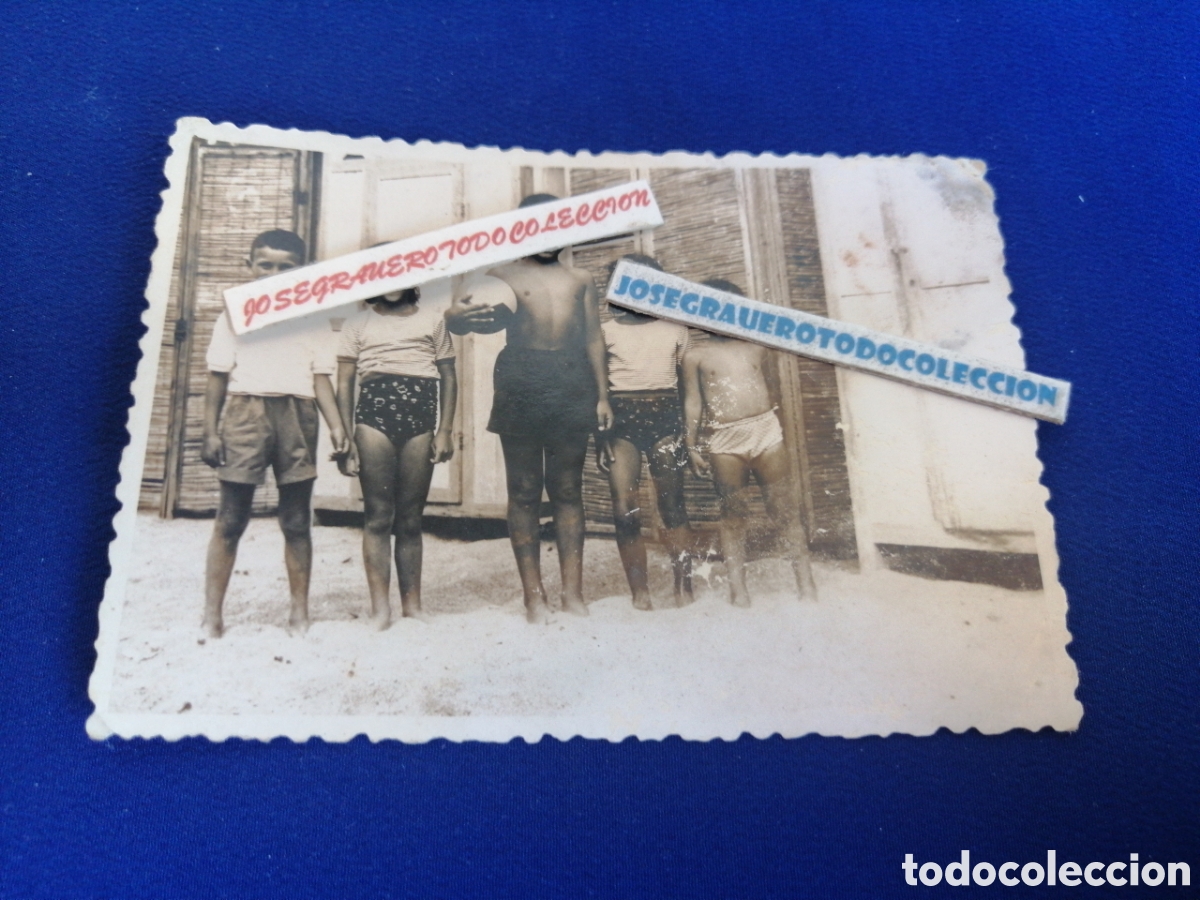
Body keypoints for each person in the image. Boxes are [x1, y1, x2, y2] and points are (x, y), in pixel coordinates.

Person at [445, 193, 612, 624]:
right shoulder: (498, 276)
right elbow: (459, 317)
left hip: (571, 378)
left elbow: (593, 337)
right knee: (522, 490)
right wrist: (455, 317)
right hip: (521, 376)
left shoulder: (581, 279)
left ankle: (573, 593)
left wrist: (603, 394)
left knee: (568, 490)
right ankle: (533, 597)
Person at [200, 229, 348, 638]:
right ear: (249, 266)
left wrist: (337, 426)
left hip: (297, 417)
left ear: (303, 270)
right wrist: (210, 432)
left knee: (297, 521)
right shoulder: (232, 315)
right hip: (246, 414)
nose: (274, 273)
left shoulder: (314, 316)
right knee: (230, 519)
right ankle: (212, 615)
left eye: (287, 266)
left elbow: (321, 379)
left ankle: (299, 614)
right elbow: (217, 379)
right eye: (265, 264)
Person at [681, 279, 817, 607]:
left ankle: (806, 584)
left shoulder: (756, 345)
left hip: (765, 433)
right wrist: (691, 445)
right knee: (732, 515)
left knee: (784, 509)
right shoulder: (695, 356)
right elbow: (693, 403)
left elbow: (770, 387)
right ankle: (738, 591)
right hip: (725, 440)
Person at [335, 285, 457, 629]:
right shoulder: (357, 323)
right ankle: (379, 610)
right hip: (373, 418)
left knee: (410, 519)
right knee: (377, 516)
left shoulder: (433, 320)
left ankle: (412, 606)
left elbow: (448, 374)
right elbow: (344, 382)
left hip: (420, 419)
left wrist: (445, 429)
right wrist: (346, 435)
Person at [597, 255, 694, 610]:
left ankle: (684, 587)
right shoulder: (606, 331)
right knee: (624, 508)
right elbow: (598, 393)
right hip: (621, 424)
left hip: (666, 420)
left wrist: (687, 433)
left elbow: (687, 389)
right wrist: (600, 439)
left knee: (672, 505)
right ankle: (640, 592)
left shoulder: (676, 329)